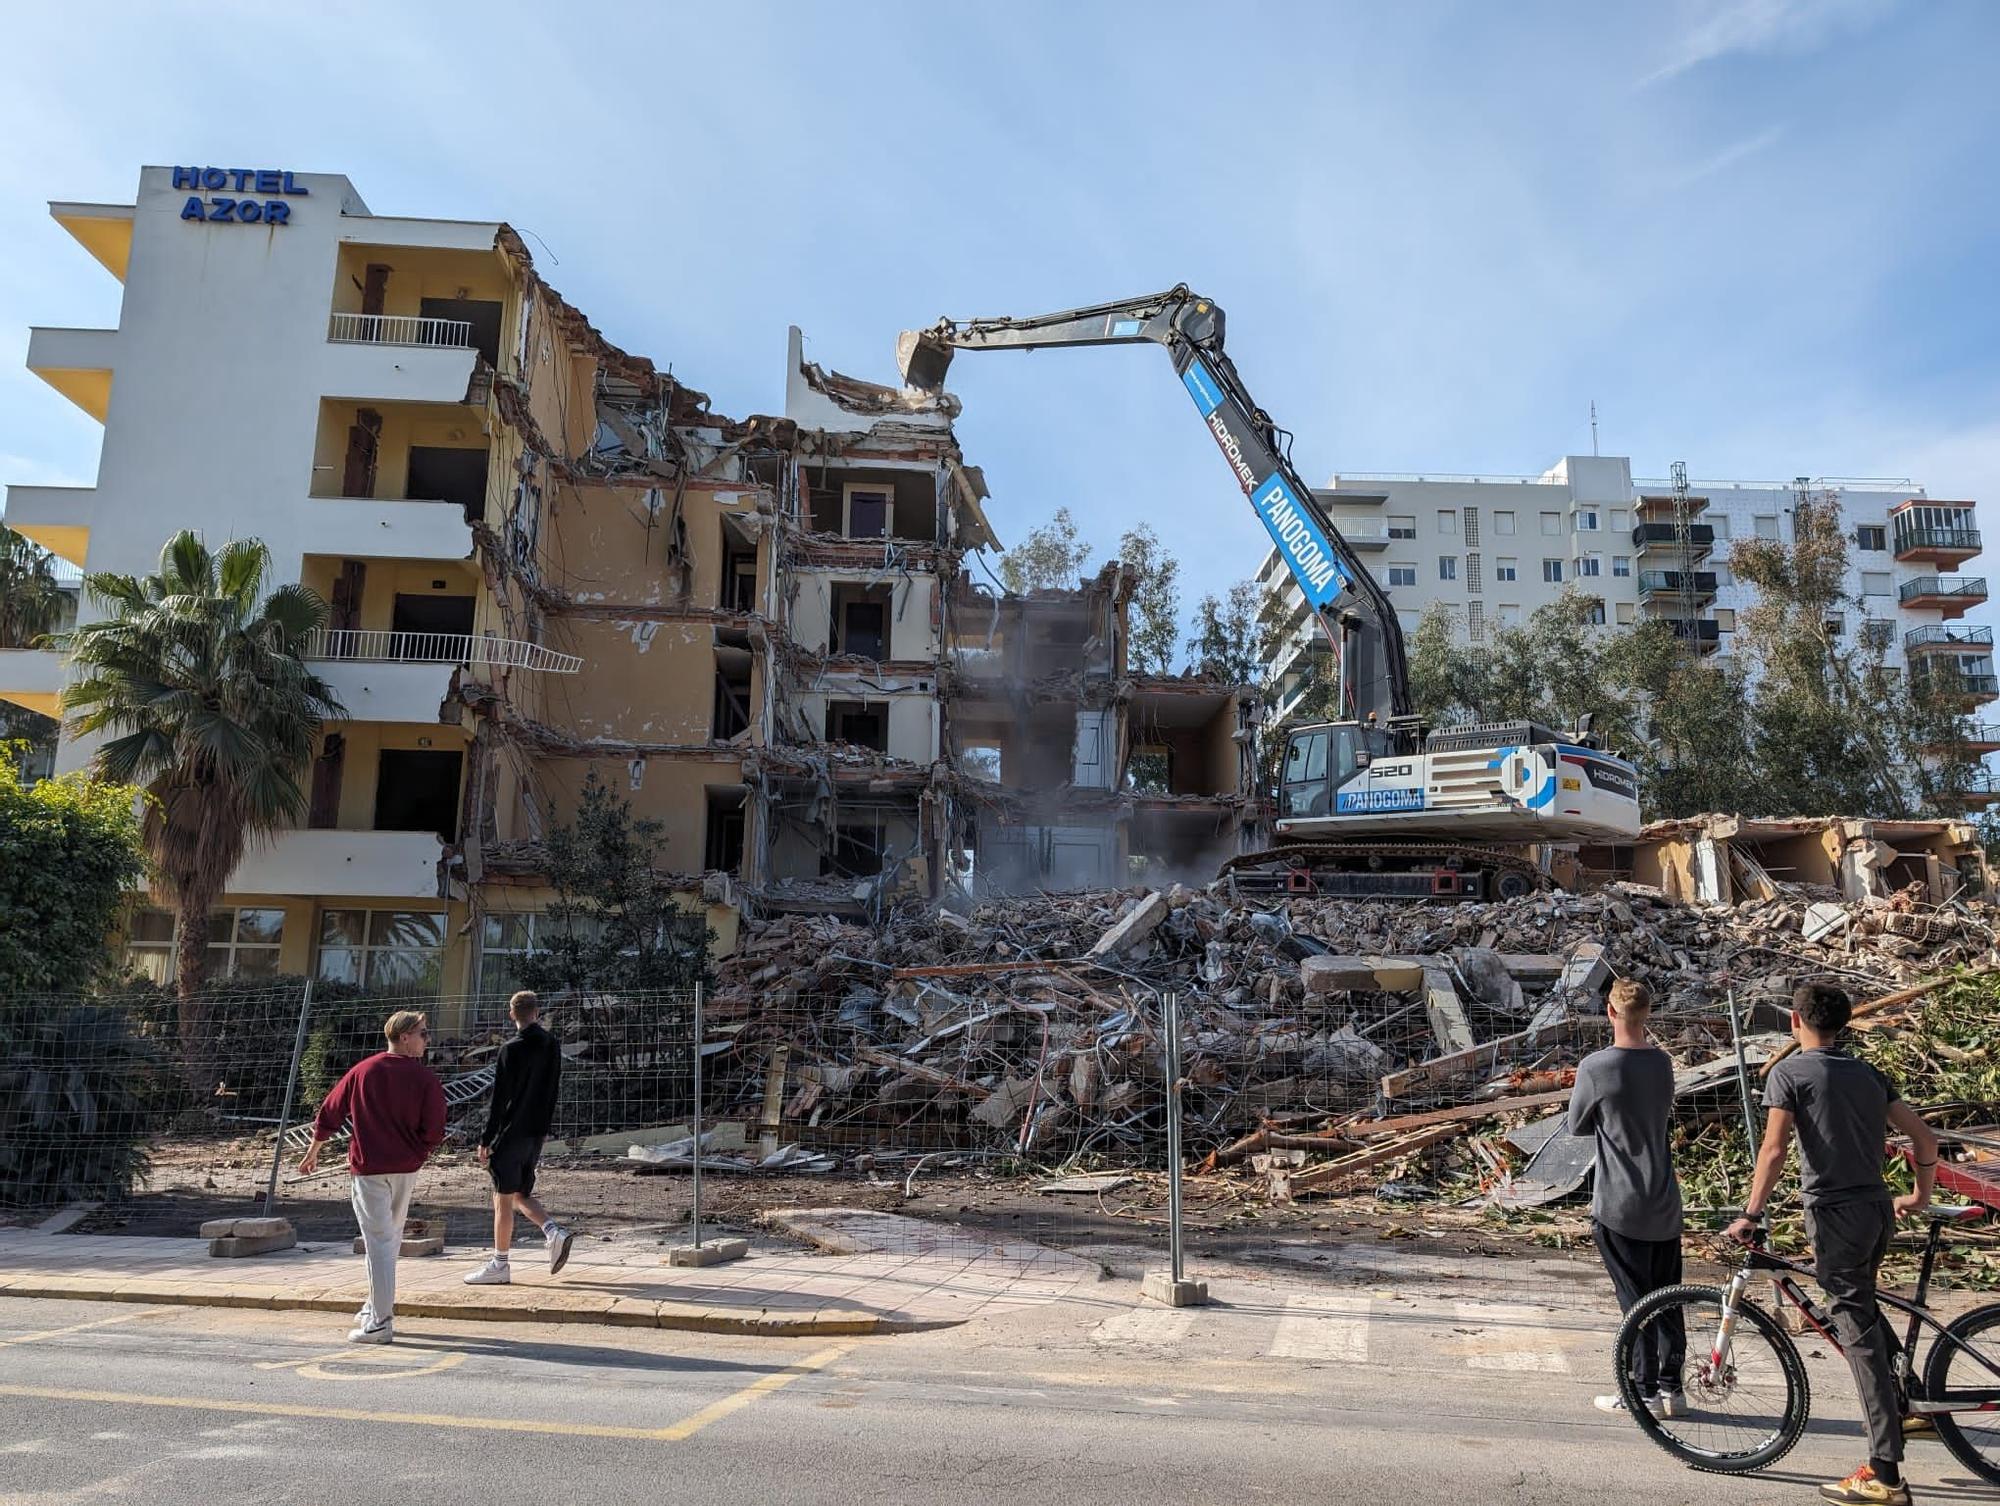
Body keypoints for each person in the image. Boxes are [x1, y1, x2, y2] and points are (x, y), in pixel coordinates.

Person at [1726, 983, 1940, 1506]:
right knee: (1861, 1309)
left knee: (1856, 1335)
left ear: (1795, 1022)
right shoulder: (1868, 1074)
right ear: (1843, 1025)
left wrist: (1751, 1214)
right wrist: (1918, 1193)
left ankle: (1885, 1475)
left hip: (1834, 1215)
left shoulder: (1789, 1074)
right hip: (1875, 1211)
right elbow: (1926, 1140)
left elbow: (1774, 1150)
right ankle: (1907, 1404)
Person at [1567, 977, 1686, 1418]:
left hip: (1619, 1200)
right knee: (1668, 1295)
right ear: (1648, 1014)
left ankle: (1643, 1390)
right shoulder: (1663, 1064)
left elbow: (1577, 1123)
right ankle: (1674, 1388)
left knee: (1634, 1300)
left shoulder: (1596, 1067)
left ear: (1610, 1013)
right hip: (1664, 1198)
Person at [298, 1009, 445, 1345]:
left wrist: (314, 1150)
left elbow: (330, 1111)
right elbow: (435, 1128)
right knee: (388, 1239)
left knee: (379, 1241)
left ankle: (380, 1320)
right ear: (405, 1037)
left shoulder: (364, 1071)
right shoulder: (425, 1079)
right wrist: (419, 1154)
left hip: (369, 1169)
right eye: (423, 1033)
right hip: (405, 1168)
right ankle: (375, 1307)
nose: (427, 1039)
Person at [463, 991, 574, 1284]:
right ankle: (553, 1231)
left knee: (502, 1199)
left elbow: (499, 1099)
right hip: (537, 1130)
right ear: (536, 1013)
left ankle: (500, 1264)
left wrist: (486, 1138)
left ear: (512, 1014)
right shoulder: (551, 1044)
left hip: (512, 1131)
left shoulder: (510, 1050)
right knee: (519, 1193)